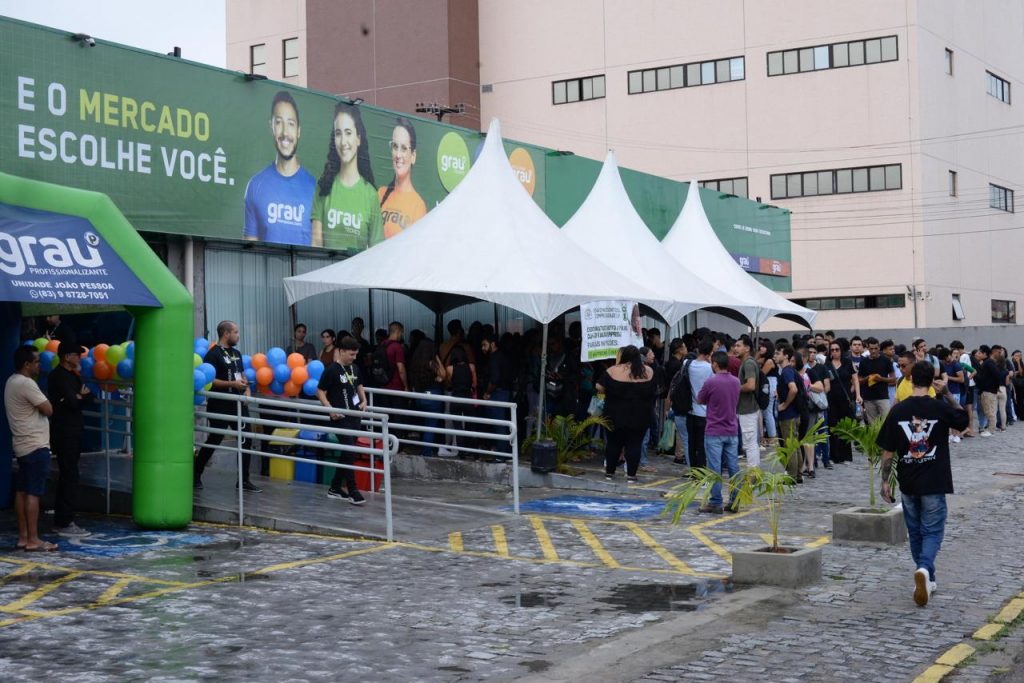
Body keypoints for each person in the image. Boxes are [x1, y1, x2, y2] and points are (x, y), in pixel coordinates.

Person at [879, 360, 969, 607]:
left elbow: (887, 452)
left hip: (908, 481)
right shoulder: (939, 407)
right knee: (933, 530)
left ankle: (928, 578)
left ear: (910, 379)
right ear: (932, 381)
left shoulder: (897, 411)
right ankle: (925, 569)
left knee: (916, 531)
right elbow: (964, 420)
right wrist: (948, 394)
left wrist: (885, 482)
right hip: (935, 480)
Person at [193, 321, 263, 492]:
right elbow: (211, 380)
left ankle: (244, 480)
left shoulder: (237, 353)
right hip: (220, 404)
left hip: (238, 403)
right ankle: (196, 473)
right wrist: (231, 383)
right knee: (215, 439)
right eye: (236, 332)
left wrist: (246, 389)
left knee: (246, 439)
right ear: (226, 334)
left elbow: (241, 374)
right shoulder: (213, 354)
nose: (238, 335)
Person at [243, 91, 316, 246]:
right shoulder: (255, 185)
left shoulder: (315, 189)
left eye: (290, 124)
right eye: (279, 122)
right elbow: (249, 249)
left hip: (308, 271)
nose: (285, 132)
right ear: (271, 127)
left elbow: (318, 247)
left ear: (299, 131)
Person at [5, 346, 57, 551]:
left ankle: (24, 537)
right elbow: (48, 409)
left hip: (21, 445)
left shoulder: (11, 381)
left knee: (22, 492)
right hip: (36, 445)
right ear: (26, 365)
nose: (39, 365)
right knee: (33, 493)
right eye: (36, 362)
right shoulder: (27, 383)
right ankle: (34, 539)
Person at [312, 101, 384, 250]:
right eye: (339, 134)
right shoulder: (324, 187)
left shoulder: (370, 195)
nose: (343, 141)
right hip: (327, 272)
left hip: (358, 273)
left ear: (358, 138)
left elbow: (377, 251)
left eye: (348, 133)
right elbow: (316, 245)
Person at [47, 341, 94, 537]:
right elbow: (74, 402)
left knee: (71, 473)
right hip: (65, 432)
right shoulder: (59, 376)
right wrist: (78, 397)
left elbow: (89, 397)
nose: (79, 358)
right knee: (69, 474)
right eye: (76, 355)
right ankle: (64, 520)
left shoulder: (74, 375)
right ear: (67, 357)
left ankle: (64, 516)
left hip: (74, 430)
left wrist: (79, 397)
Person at [316, 337, 367, 505]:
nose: (354, 357)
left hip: (354, 416)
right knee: (350, 451)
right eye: (351, 354)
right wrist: (330, 408)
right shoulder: (332, 370)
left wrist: (364, 400)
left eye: (356, 354)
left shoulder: (355, 368)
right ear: (342, 351)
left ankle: (335, 487)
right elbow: (320, 391)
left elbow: (359, 385)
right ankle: (353, 490)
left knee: (347, 452)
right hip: (340, 417)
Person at [596, 345, 657, 484]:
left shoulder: (612, 371)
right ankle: (631, 475)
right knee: (635, 444)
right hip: (640, 415)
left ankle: (610, 473)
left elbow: (599, 387)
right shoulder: (648, 371)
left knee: (613, 444)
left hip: (614, 414)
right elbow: (655, 390)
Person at [696, 351, 741, 514]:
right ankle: (735, 500)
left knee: (715, 468)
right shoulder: (736, 382)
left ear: (715, 364)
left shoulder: (710, 382)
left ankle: (715, 502)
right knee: (733, 466)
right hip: (732, 429)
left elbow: (699, 399)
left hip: (714, 430)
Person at [379, 117, 427, 239]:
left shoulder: (418, 206)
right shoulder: (380, 194)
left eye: (404, 148)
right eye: (395, 146)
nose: (398, 155)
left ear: (413, 156)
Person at [408, 339, 446, 457]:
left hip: (419, 397)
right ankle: (426, 452)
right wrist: (436, 357)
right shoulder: (431, 363)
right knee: (431, 425)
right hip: (433, 397)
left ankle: (424, 449)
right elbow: (443, 375)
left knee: (424, 424)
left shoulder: (415, 363)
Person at [825, 340, 859, 464]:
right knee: (833, 427)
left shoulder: (847, 362)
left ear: (841, 350)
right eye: (832, 350)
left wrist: (857, 395)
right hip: (831, 400)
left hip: (845, 400)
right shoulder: (827, 364)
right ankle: (834, 456)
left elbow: (855, 379)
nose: (834, 352)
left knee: (845, 427)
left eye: (837, 349)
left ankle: (846, 456)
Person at [481, 333, 514, 455]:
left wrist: (487, 393)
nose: (482, 348)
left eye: (484, 345)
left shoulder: (494, 358)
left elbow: (494, 379)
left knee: (499, 424)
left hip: (497, 393)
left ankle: (502, 454)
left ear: (493, 344)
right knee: (504, 424)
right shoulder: (503, 356)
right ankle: (505, 451)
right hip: (505, 392)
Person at [775, 346, 803, 482]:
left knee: (790, 445)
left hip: (789, 415)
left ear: (786, 356)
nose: (774, 356)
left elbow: (793, 389)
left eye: (777, 353)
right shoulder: (790, 370)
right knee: (795, 444)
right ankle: (797, 475)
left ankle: (792, 476)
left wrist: (785, 404)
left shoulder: (786, 371)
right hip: (794, 414)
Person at [686, 339, 715, 471]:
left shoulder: (686, 363)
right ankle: (701, 473)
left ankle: (693, 471)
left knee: (691, 443)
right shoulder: (710, 368)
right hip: (705, 412)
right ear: (710, 353)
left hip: (690, 410)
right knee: (703, 445)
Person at [734, 335, 761, 468]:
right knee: (750, 442)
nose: (735, 348)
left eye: (739, 346)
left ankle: (753, 473)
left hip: (748, 409)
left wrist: (735, 388)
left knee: (749, 443)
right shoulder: (745, 363)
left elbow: (751, 385)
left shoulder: (748, 363)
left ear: (747, 348)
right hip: (747, 408)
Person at [858, 337, 896, 423]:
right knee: (873, 426)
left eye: (876, 348)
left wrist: (881, 379)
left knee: (886, 423)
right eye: (871, 349)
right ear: (868, 348)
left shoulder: (886, 360)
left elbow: (893, 379)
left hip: (883, 397)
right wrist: (867, 378)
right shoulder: (864, 362)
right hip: (868, 398)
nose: (874, 351)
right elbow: (859, 380)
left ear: (879, 348)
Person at [975, 345, 999, 437]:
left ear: (985, 354)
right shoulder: (988, 362)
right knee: (990, 410)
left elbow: (997, 375)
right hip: (989, 390)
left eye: (979, 353)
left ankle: (991, 430)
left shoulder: (988, 363)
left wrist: (975, 375)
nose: (977, 354)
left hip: (988, 391)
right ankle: (990, 428)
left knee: (989, 411)